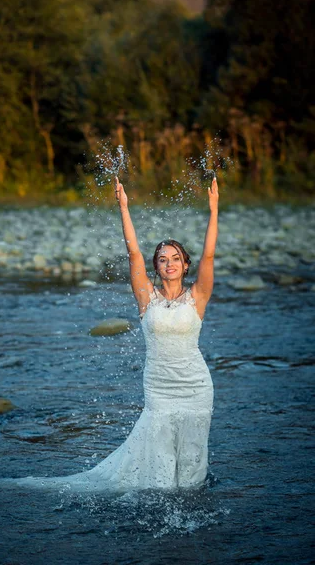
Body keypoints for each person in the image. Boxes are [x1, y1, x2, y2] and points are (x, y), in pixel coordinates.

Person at [15, 175, 219, 493]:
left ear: (185, 264)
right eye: (163, 259)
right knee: (162, 473)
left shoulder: (198, 297)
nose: (170, 264)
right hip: (159, 389)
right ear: (155, 266)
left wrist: (214, 208)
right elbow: (133, 253)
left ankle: (192, 509)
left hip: (196, 387)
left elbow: (209, 256)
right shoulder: (146, 298)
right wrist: (124, 207)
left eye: (176, 258)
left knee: (192, 467)